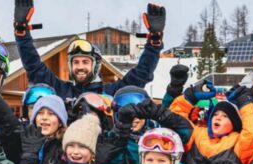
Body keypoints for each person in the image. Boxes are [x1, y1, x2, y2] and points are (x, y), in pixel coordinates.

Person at [13, 0, 165, 98]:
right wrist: (22, 33)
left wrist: (154, 43)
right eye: (76, 62)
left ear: (96, 65)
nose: (80, 67)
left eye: (85, 62)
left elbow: (141, 74)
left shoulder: (112, 92)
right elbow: (34, 67)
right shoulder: (60, 90)